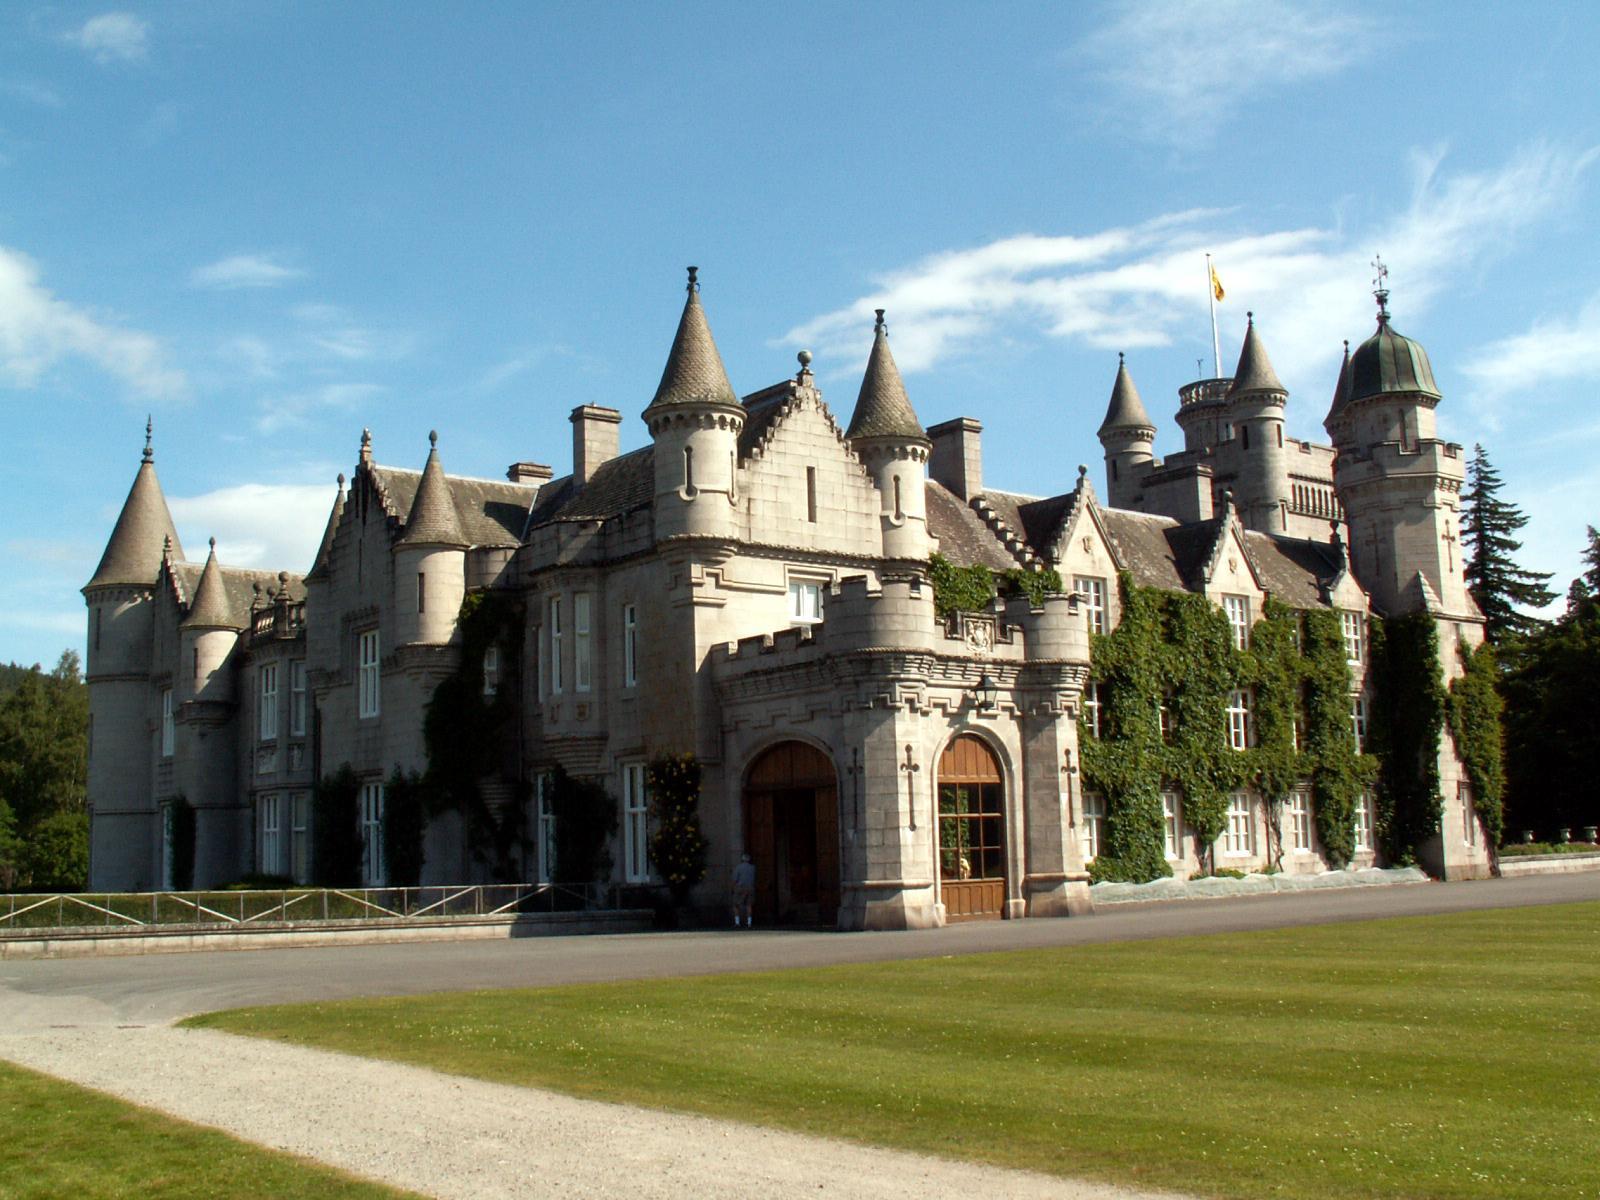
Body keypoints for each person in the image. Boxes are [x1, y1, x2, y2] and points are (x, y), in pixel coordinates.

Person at [731, 852, 756, 928]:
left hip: (740, 887)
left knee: (736, 905)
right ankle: (749, 923)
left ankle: (737, 922)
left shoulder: (738, 867)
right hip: (750, 887)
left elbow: (735, 879)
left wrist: (732, 888)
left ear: (742, 859)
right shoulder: (753, 868)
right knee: (749, 906)